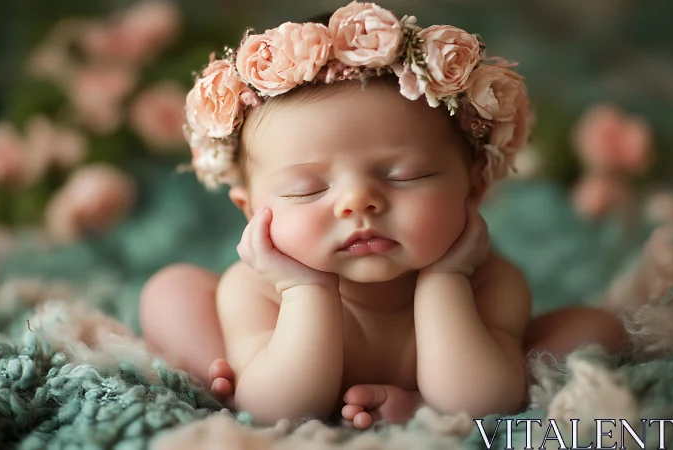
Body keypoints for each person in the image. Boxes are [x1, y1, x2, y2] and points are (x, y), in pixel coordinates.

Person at [140, 1, 629, 430]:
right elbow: (278, 411)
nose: (359, 203)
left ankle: (421, 407)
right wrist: (303, 288)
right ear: (250, 212)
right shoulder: (255, 289)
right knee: (171, 290)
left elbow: (478, 401)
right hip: (273, 358)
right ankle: (219, 374)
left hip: (463, 367)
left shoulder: (489, 282)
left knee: (598, 328)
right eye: (307, 189)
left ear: (474, 188)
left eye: (407, 176)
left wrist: (446, 277)